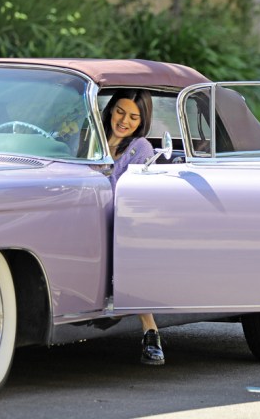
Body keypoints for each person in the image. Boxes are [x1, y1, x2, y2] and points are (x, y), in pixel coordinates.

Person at [102, 88, 165, 366]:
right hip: (82, 216)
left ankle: (150, 331)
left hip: (120, 222)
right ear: (110, 109)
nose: (124, 120)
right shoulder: (88, 138)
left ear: (142, 121)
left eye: (133, 117)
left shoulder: (141, 148)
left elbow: (130, 194)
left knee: (129, 245)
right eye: (120, 111)